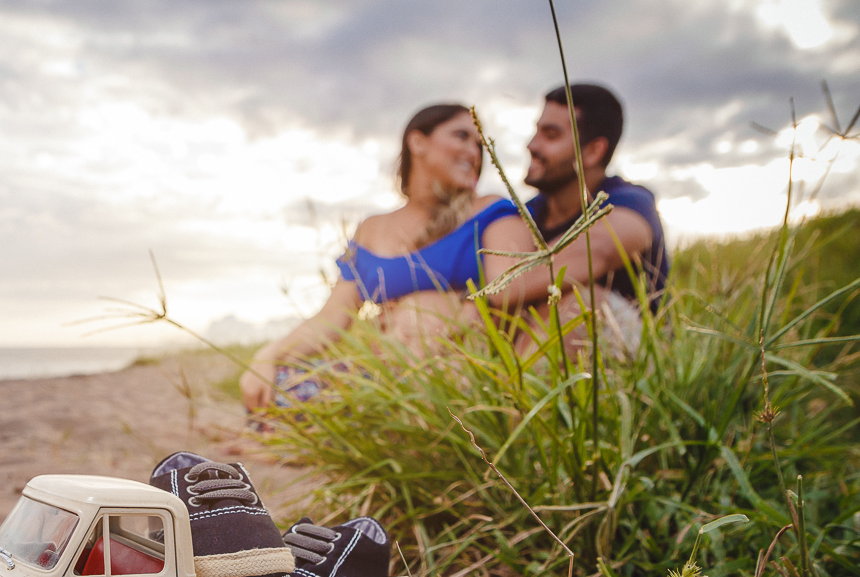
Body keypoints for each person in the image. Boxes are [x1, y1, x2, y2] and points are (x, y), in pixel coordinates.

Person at [240, 103, 534, 412]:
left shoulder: (493, 212)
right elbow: (331, 319)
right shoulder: (371, 229)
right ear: (418, 142)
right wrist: (268, 355)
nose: (474, 152)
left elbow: (517, 290)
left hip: (463, 371)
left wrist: (452, 311)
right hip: (387, 375)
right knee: (277, 388)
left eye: (479, 143)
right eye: (461, 136)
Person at [482, 84, 669, 356]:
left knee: (583, 302)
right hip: (545, 352)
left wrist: (494, 292)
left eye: (551, 135)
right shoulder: (528, 214)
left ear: (593, 151)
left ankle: (510, 394)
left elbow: (599, 251)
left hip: (636, 365)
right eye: (536, 131)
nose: (532, 145)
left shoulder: (630, 203)